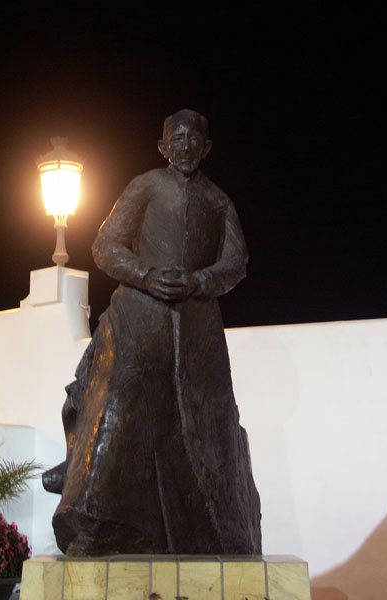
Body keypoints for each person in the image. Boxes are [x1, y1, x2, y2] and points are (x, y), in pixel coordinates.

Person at [43, 109, 262, 556]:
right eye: (175, 140)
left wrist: (198, 282)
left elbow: (235, 263)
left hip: (197, 330)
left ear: (206, 148)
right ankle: (91, 519)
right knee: (117, 406)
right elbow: (106, 245)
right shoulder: (145, 186)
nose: (184, 147)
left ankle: (212, 533)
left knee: (200, 427)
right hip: (138, 316)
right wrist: (144, 274)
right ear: (163, 148)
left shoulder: (218, 202)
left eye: (192, 139)